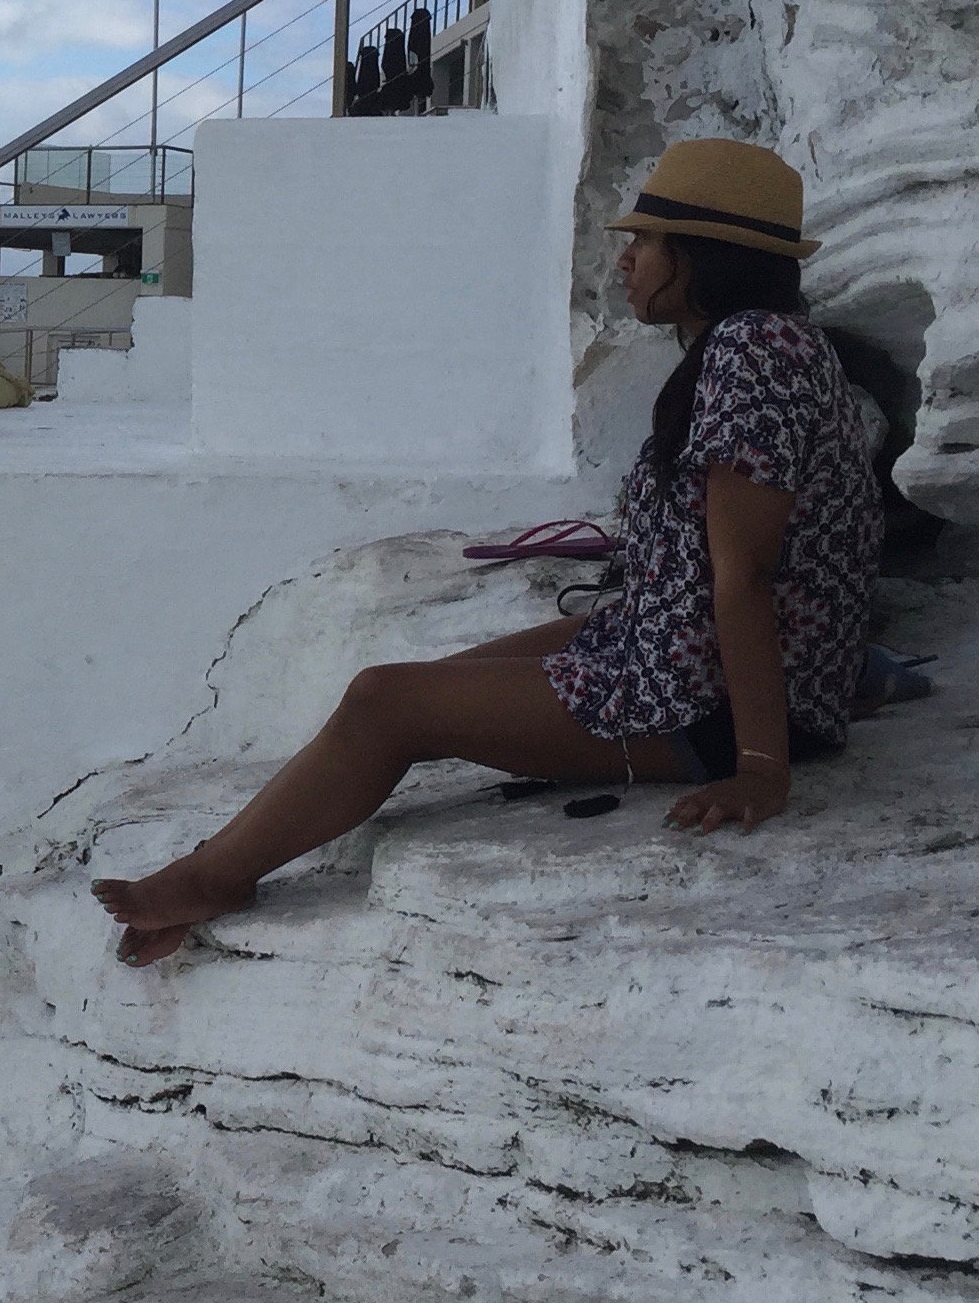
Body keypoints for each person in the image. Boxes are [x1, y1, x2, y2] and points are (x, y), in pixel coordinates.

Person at [92, 139, 882, 968]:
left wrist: (760, 764)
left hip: (702, 702)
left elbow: (746, 573)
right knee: (426, 689)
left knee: (385, 703)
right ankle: (225, 854)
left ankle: (215, 877)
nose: (626, 260)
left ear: (706, 253)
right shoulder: (754, 344)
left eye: (646, 241)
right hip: (673, 648)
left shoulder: (754, 351)